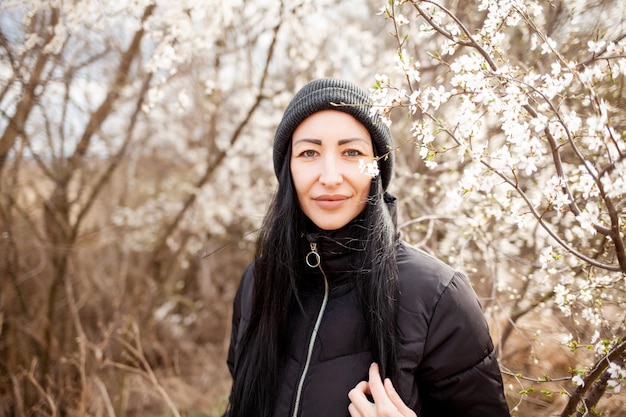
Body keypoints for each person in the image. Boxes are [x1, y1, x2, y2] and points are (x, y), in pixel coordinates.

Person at [223, 78, 510, 417]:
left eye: (352, 153)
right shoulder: (259, 281)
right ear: (289, 169)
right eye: (309, 153)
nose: (330, 176)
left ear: (377, 168)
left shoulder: (438, 297)